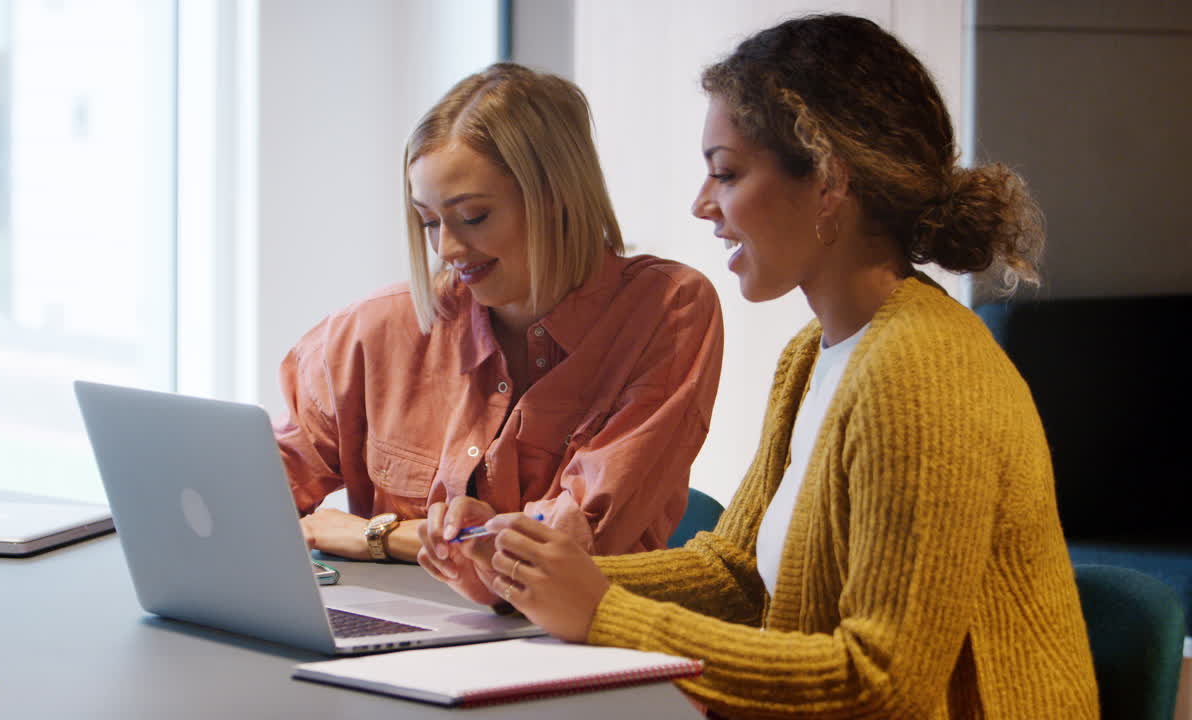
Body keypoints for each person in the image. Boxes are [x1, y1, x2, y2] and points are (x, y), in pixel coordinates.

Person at [419, 15, 1099, 719]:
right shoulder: (815, 354)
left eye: (727, 173)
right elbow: (737, 573)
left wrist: (604, 613)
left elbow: (884, 683)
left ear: (830, 181)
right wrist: (527, 578)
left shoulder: (919, 370)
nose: (703, 204)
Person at [273, 63, 724, 566]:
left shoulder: (668, 309)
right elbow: (254, 500)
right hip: (401, 633)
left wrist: (379, 535)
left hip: (569, 639)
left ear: (556, 197)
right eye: (427, 221)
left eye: (473, 218)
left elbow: (562, 547)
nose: (446, 248)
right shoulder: (371, 332)